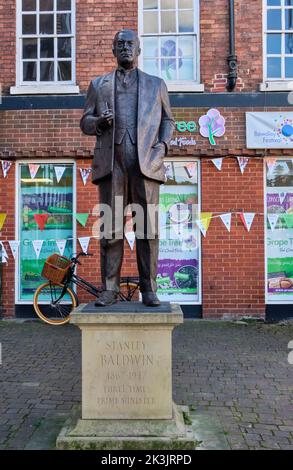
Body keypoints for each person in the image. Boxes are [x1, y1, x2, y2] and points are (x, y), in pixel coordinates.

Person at [80, 29, 174, 307]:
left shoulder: (156, 85)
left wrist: (162, 148)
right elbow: (85, 122)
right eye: (119, 44)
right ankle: (109, 288)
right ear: (113, 50)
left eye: (129, 44)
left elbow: (168, 121)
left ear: (138, 50)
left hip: (146, 165)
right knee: (110, 230)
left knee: (148, 230)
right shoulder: (99, 85)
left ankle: (149, 289)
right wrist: (98, 122)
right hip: (112, 166)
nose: (124, 48)